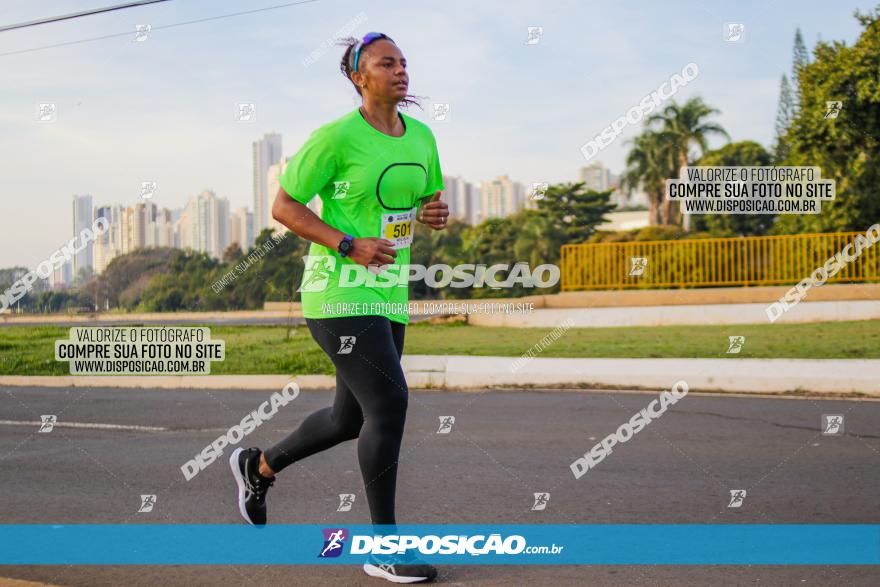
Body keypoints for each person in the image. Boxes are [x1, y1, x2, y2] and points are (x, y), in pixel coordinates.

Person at [229, 31, 449, 584]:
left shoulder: (421, 137)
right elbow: (284, 206)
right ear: (359, 77)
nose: (401, 71)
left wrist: (432, 213)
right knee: (391, 402)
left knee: (349, 419)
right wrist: (349, 244)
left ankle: (258, 465)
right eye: (386, 63)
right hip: (338, 292)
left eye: (403, 62)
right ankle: (384, 548)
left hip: (389, 293)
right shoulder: (335, 138)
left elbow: (421, 201)